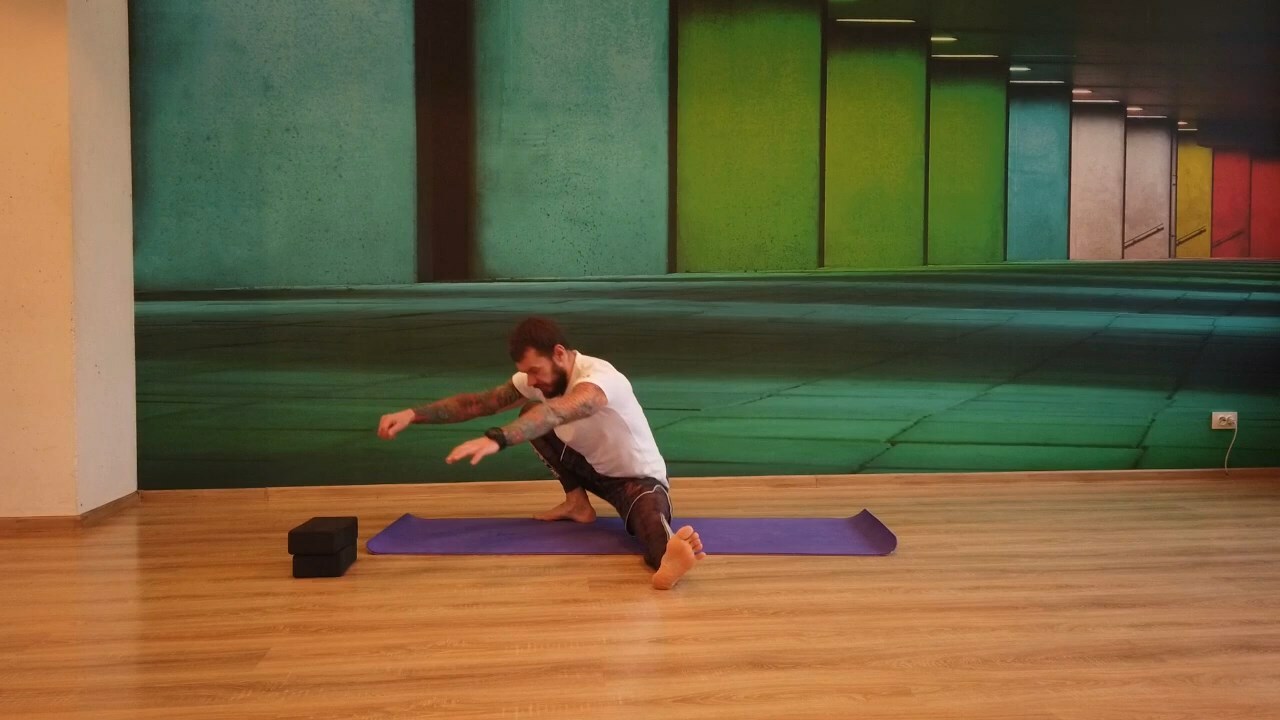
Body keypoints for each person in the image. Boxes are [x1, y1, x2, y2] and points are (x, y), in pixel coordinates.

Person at [377, 317, 705, 589]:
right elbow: (480, 403)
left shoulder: (600, 379)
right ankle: (577, 504)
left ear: (559, 353)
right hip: (593, 469)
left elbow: (556, 413)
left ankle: (671, 552)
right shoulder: (540, 380)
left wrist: (499, 439)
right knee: (529, 413)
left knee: (650, 527)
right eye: (527, 373)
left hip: (636, 481)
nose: (531, 380)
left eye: (536, 370)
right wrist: (412, 414)